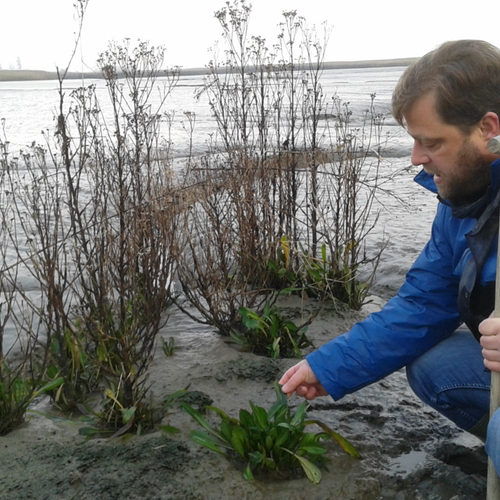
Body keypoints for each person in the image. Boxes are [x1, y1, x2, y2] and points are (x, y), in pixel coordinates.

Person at [279, 39, 500, 474]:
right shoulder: (464, 199)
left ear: (487, 128)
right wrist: (328, 367)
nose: (417, 158)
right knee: (435, 366)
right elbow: (424, 304)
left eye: (430, 142)